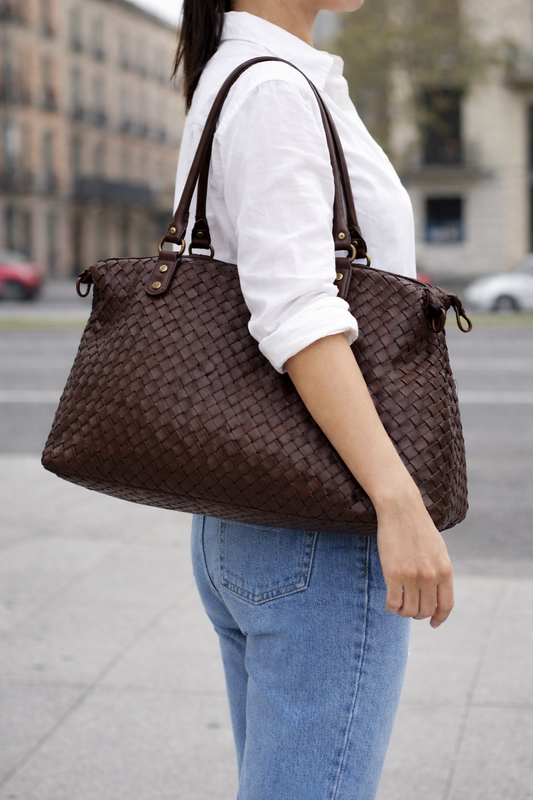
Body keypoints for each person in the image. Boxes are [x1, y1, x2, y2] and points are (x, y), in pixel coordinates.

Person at [173, 2, 454, 798]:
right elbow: (297, 314)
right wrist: (398, 501)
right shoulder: (272, 89)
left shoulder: (246, 73)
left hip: (249, 517)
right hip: (320, 521)